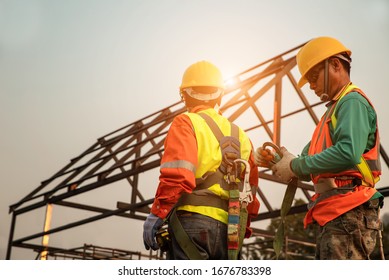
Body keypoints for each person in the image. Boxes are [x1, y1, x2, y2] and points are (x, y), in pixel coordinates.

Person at [255, 36, 383, 260]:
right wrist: (278, 160)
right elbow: (306, 163)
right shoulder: (331, 115)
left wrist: (294, 164)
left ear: (335, 64)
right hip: (337, 212)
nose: (312, 86)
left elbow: (348, 153)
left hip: (349, 209)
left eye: (314, 77)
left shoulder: (352, 102)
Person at [143, 60, 260, 259]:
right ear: (220, 95)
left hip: (192, 223)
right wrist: (242, 228)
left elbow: (177, 175)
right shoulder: (241, 135)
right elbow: (250, 191)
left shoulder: (186, 122)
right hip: (230, 228)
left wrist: (158, 213)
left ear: (185, 96)